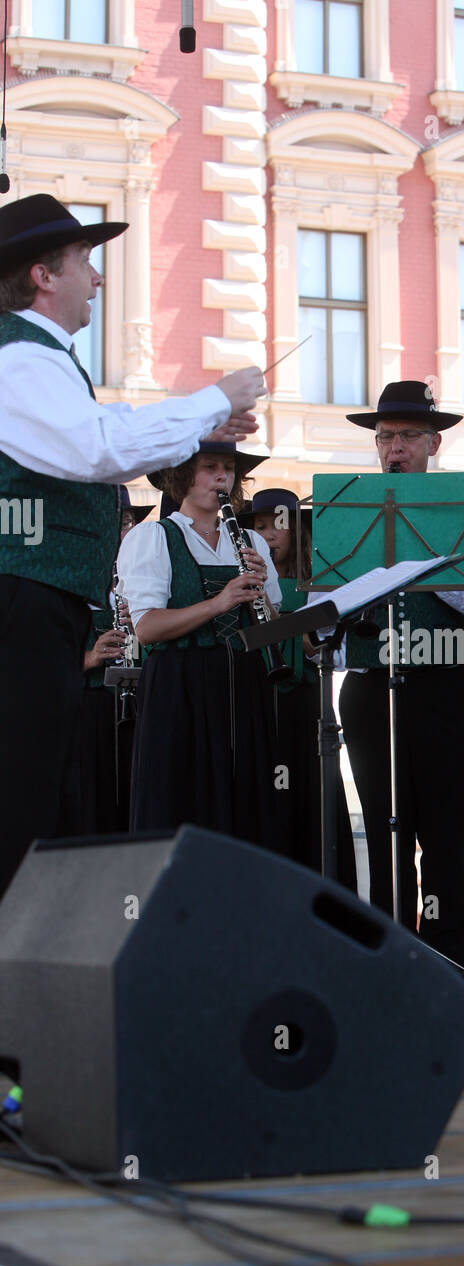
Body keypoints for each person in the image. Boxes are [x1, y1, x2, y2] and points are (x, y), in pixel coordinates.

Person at [0, 194, 265, 898]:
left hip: (36, 597)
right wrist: (212, 400)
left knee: (37, 793)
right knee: (20, 798)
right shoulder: (21, 356)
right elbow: (97, 447)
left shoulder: (39, 359)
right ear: (42, 276)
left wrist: (200, 428)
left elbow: (109, 445)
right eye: (84, 261)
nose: (96, 276)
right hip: (20, 594)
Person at [338, 381, 464, 970]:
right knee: (384, 826)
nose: (394, 448)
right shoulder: (350, 509)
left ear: (434, 443)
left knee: (448, 829)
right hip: (371, 688)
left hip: (444, 685)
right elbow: (332, 604)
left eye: (407, 436)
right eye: (385, 437)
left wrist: (423, 552)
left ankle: (452, 953)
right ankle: (388, 952)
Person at [116, 443, 290, 854]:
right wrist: (219, 602)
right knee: (182, 802)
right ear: (181, 477)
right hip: (180, 686)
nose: (221, 477)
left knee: (247, 806)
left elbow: (271, 632)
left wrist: (262, 596)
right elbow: (146, 628)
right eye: (209, 467)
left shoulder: (249, 541)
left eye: (228, 469)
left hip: (243, 683)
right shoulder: (153, 537)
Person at [240, 488, 357, 890]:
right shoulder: (241, 579)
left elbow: (316, 645)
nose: (269, 535)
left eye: (279, 525)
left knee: (308, 800)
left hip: (303, 703)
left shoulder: (317, 581)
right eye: (259, 527)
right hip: (256, 699)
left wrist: (283, 623)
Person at [79, 488, 152, 833]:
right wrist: (92, 656)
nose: (123, 531)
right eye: (116, 521)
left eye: (126, 522)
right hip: (87, 713)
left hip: (138, 706)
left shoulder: (138, 578)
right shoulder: (76, 580)